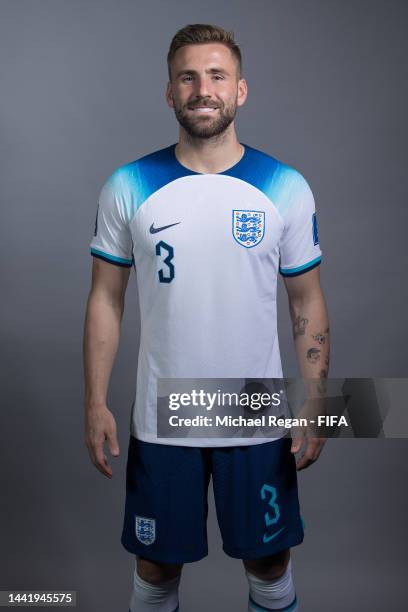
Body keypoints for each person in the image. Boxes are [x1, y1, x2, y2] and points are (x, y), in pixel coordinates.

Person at [83, 23, 330, 612]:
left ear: (240, 90)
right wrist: (94, 401)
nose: (203, 89)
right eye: (187, 77)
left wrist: (318, 399)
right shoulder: (129, 185)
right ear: (169, 92)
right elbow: (105, 299)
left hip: (255, 412)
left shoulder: (285, 187)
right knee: (157, 566)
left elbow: (307, 300)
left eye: (217, 76)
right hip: (163, 414)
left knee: (270, 563)